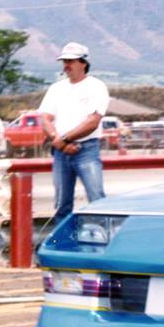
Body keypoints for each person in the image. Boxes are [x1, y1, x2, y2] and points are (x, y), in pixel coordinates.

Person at [39, 42, 110, 224]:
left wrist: (62, 139)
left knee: (97, 198)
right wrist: (58, 140)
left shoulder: (96, 86)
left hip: (86, 149)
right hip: (61, 151)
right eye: (65, 61)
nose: (66, 65)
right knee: (61, 203)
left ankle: (103, 236)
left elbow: (92, 122)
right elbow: (45, 118)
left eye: (70, 61)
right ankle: (63, 238)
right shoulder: (57, 88)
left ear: (83, 63)